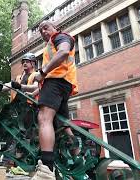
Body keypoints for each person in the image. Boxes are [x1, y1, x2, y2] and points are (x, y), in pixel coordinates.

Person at [32, 21, 78, 180]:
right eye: (40, 30)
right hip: (63, 86)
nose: (43, 31)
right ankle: (79, 161)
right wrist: (37, 91)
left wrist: (43, 72)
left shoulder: (60, 37)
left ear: (55, 28)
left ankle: (46, 170)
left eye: (46, 28)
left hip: (56, 83)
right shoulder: (51, 45)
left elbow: (63, 52)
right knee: (64, 125)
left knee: (44, 118)